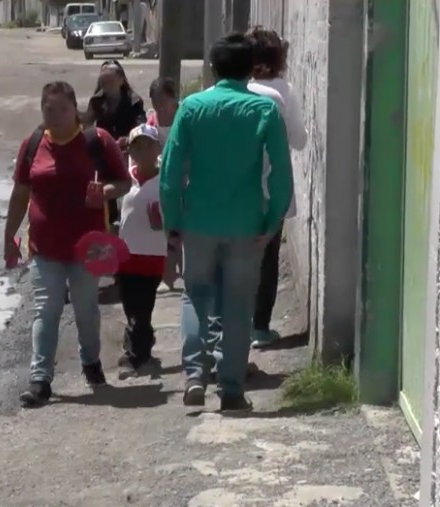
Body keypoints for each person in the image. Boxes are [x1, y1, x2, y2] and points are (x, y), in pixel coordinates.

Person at [159, 33, 293, 412]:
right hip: (246, 223)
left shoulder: (192, 108)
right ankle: (232, 389)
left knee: (195, 295)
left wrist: (173, 226)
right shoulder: (264, 110)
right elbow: (281, 175)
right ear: (251, 69)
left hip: (198, 221)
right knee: (238, 304)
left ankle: (194, 375)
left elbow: (170, 174)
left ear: (213, 69)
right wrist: (272, 221)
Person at [5, 81, 132, 407]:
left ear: (75, 109)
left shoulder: (96, 141)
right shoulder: (33, 145)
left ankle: (90, 361)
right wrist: (10, 239)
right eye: (49, 109)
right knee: (46, 309)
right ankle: (40, 379)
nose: (56, 115)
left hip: (88, 247)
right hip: (44, 248)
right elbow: (20, 194)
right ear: (41, 110)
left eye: (63, 109)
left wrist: (104, 192)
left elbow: (123, 182)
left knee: (86, 310)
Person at [245, 26, 308, 348]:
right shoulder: (283, 92)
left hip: (236, 190)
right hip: (272, 190)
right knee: (267, 259)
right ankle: (260, 328)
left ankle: (232, 326)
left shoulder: (237, 89)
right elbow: (299, 140)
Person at [116, 124, 167, 379]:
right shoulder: (125, 180)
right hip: (125, 257)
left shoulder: (167, 181)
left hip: (153, 256)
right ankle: (139, 351)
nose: (143, 151)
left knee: (143, 309)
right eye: (137, 146)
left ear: (158, 149)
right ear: (131, 152)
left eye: (149, 145)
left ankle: (135, 357)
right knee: (130, 308)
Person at [85, 60, 146, 231]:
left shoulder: (134, 101)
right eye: (103, 82)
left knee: (130, 181)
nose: (107, 86)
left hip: (127, 149)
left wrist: (128, 138)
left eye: (110, 81)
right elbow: (87, 123)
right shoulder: (97, 101)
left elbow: (140, 124)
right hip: (103, 149)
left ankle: (131, 213)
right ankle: (109, 216)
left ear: (121, 80)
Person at [146, 77, 182, 291]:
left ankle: (183, 273)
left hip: (184, 181)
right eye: (155, 102)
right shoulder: (150, 122)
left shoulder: (184, 117)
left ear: (173, 98)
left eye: (163, 101)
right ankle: (168, 276)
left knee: (182, 230)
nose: (159, 107)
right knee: (165, 230)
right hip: (161, 182)